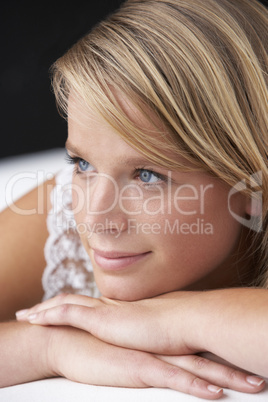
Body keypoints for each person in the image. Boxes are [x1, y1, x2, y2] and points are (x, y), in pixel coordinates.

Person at [0, 0, 267, 399]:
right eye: (83, 163)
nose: (94, 217)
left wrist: (177, 320)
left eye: (147, 176)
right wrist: (47, 346)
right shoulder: (61, 219)